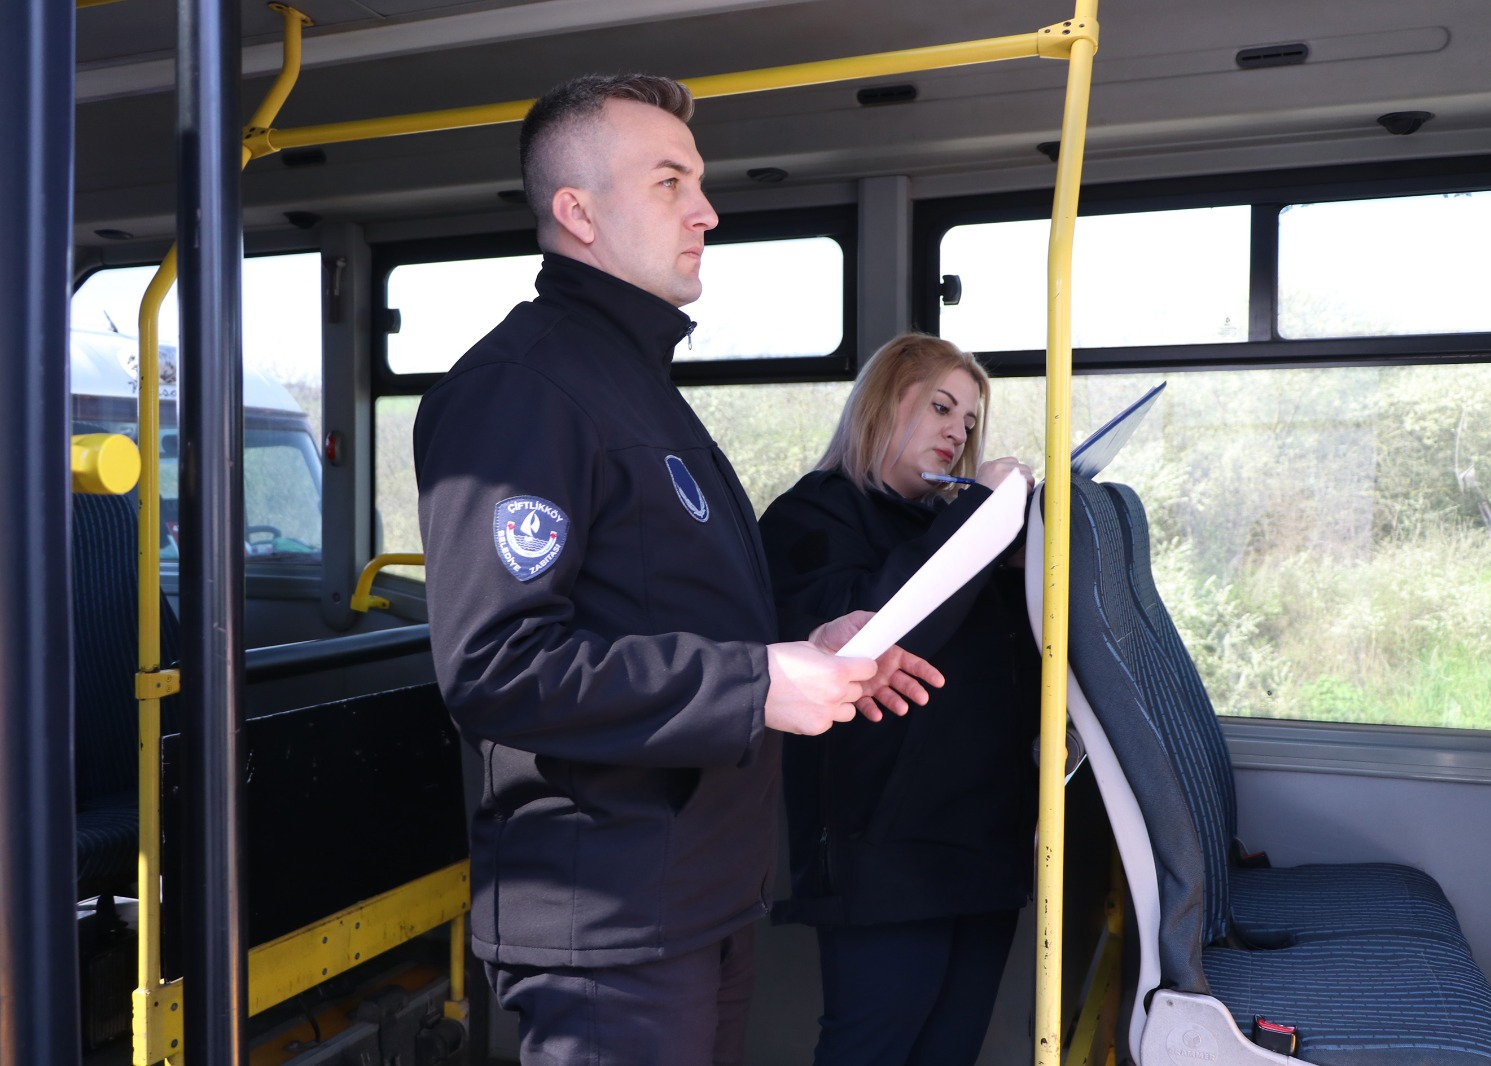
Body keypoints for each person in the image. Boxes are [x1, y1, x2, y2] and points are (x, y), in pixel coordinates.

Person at [412, 75, 942, 1066]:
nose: (706, 210)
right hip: (611, 915)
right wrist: (757, 684)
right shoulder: (520, 391)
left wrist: (805, 650)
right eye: (669, 182)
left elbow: (654, 615)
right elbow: (496, 665)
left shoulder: (637, 386)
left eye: (697, 181)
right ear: (576, 212)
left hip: (696, 894)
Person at [759, 333, 1040, 1066]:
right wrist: (980, 515)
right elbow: (881, 635)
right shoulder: (813, 517)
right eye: (943, 406)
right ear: (886, 403)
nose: (959, 431)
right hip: (883, 845)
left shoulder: (950, 524)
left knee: (950, 1049)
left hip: (981, 836)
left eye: (971, 421)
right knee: (872, 1046)